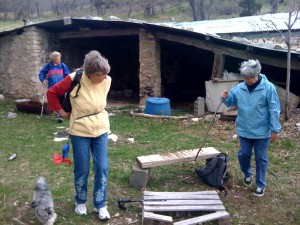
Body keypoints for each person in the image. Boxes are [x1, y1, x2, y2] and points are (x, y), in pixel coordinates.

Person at [46, 50, 112, 220]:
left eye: (106, 74)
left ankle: (100, 204)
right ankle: (80, 201)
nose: (104, 77)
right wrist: (61, 112)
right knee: (82, 169)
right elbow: (52, 93)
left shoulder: (107, 80)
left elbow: (100, 101)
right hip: (80, 131)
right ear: (90, 73)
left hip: (101, 129)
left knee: (102, 168)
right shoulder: (74, 78)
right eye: (100, 74)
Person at [221, 59, 281, 197]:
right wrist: (225, 97)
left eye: (249, 78)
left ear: (257, 74)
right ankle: (247, 173)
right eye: (244, 77)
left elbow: (274, 109)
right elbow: (231, 102)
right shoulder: (240, 88)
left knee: (261, 158)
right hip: (244, 129)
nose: (246, 80)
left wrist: (275, 129)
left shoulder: (268, 88)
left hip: (262, 131)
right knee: (244, 154)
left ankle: (260, 184)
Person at [39, 51, 71, 122]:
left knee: (62, 100)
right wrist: (43, 79)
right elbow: (42, 72)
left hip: (61, 86)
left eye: (60, 58)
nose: (60, 59)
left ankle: (61, 115)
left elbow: (68, 74)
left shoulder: (62, 65)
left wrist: (68, 82)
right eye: (58, 58)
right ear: (54, 58)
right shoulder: (49, 66)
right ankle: (57, 115)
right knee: (54, 101)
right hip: (52, 86)